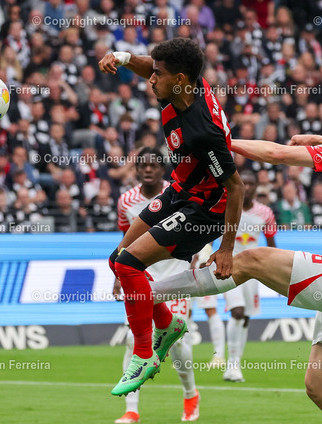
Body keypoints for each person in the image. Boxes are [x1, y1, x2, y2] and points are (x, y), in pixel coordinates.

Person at [151, 98, 322, 424]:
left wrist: (220, 143)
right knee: (321, 387)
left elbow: (277, 154)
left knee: (253, 259)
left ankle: (151, 292)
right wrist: (319, 140)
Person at [99, 37, 244, 396]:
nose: (150, 80)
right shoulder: (180, 89)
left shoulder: (203, 129)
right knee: (117, 259)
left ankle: (144, 355)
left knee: (130, 264)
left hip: (205, 210)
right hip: (180, 191)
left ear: (178, 79)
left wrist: (226, 248)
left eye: (158, 75)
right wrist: (122, 57)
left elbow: (236, 188)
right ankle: (168, 324)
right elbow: (149, 67)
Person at [114, 147, 200, 423]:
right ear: (137, 170)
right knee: (132, 339)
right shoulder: (126, 201)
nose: (148, 169)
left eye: (153, 165)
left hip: (176, 275)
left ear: (162, 169)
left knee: (177, 344)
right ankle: (131, 408)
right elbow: (125, 241)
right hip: (143, 275)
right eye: (143, 165)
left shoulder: (177, 193)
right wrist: (118, 275)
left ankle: (190, 395)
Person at [223, 169, 277, 382]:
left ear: (256, 187)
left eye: (251, 183)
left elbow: (271, 245)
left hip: (252, 272)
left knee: (245, 317)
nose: (247, 187)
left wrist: (272, 271)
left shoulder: (265, 213)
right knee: (237, 312)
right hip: (229, 268)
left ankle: (235, 363)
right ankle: (232, 364)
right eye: (243, 183)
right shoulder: (226, 206)